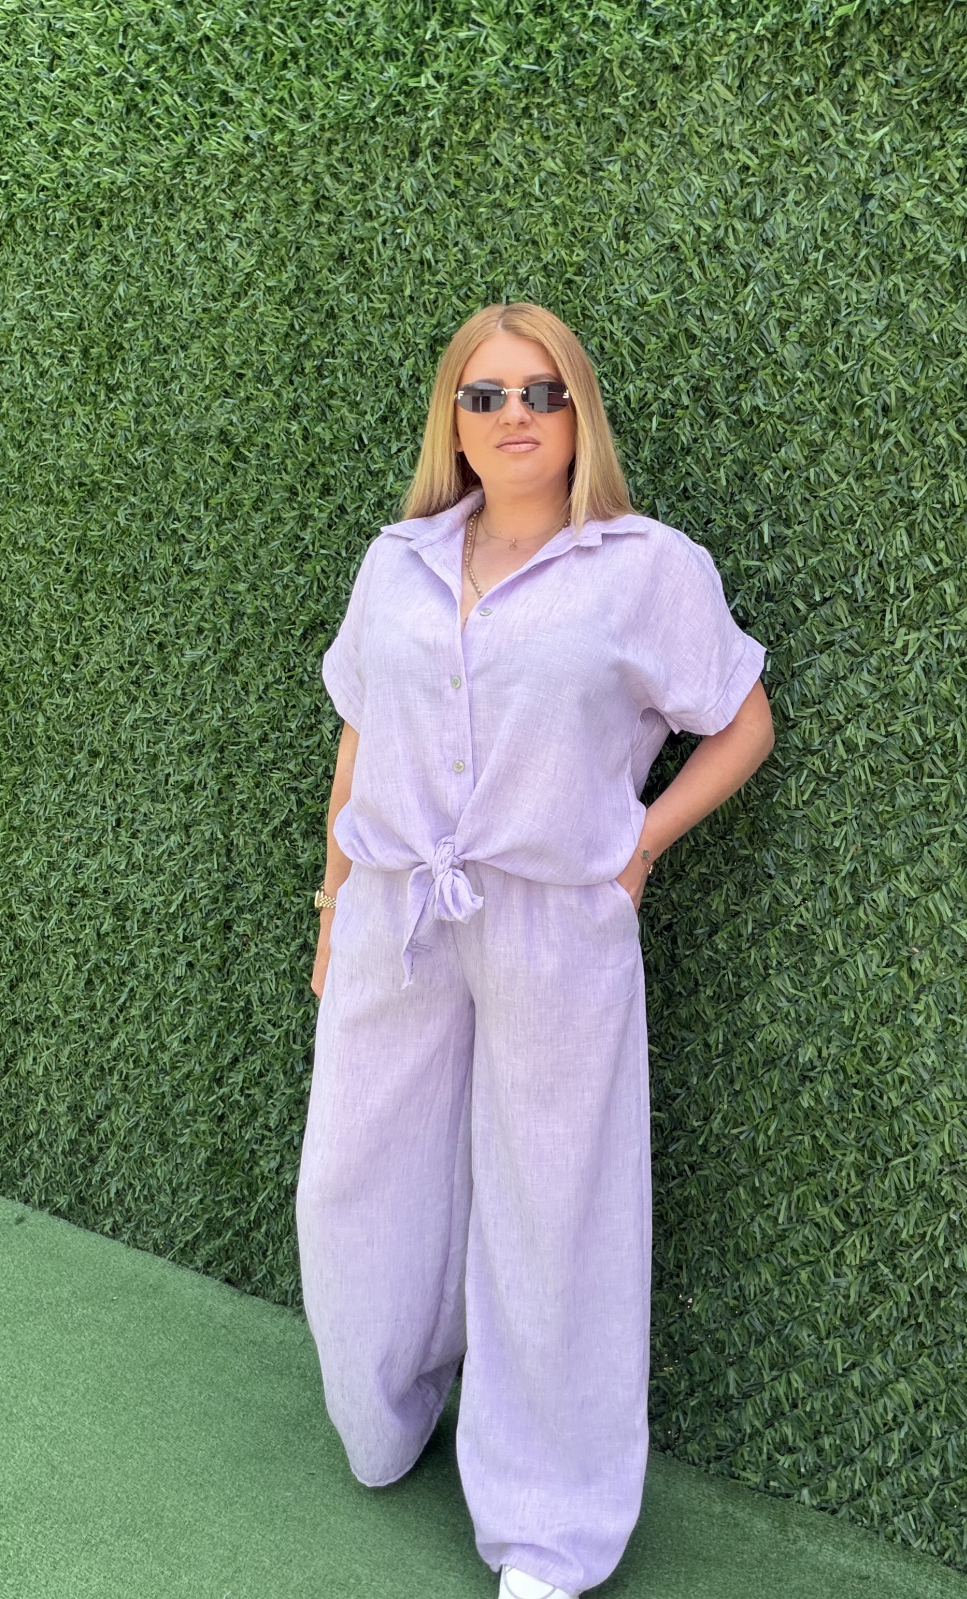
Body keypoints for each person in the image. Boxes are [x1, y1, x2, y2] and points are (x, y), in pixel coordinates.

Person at [295, 302, 774, 1599]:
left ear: (579, 416)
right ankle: (388, 1412)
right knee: (354, 1175)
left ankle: (548, 1529)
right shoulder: (396, 562)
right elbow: (358, 737)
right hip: (397, 906)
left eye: (542, 392)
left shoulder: (642, 566)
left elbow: (742, 721)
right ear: (452, 421)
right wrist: (333, 905)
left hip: (554, 918)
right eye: (487, 394)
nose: (515, 416)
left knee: (555, 1203)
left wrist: (642, 843)